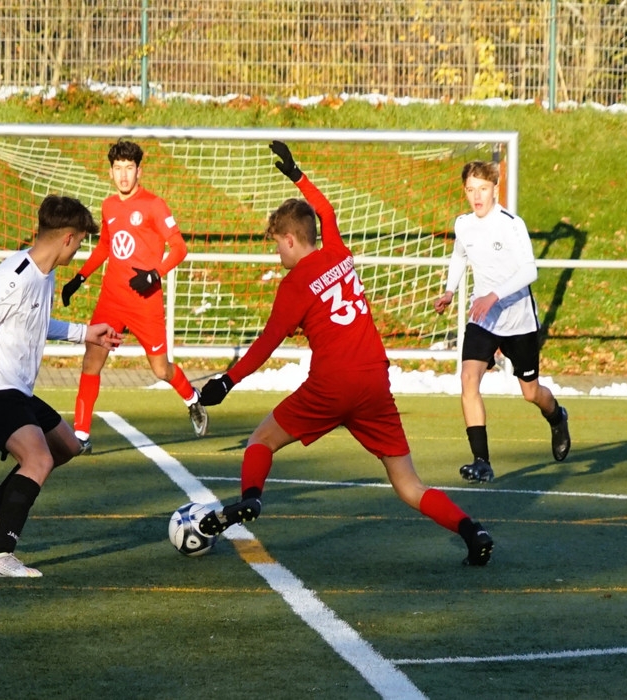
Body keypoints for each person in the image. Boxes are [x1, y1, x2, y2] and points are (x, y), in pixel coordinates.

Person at [195, 141, 493, 566]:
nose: (277, 253)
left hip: (332, 384)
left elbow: (267, 343)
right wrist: (297, 174)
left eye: (277, 244)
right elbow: (327, 211)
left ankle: (251, 498)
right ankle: (471, 530)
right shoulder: (337, 252)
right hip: (374, 381)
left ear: (290, 239)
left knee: (261, 439)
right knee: (408, 483)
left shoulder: (294, 285)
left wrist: (226, 381)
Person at [0, 195, 122, 577]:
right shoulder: (13, 278)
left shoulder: (44, 274)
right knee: (39, 460)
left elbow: (37, 322)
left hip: (19, 391)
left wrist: (85, 333)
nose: (78, 251)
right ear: (67, 238)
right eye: (80, 242)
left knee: (66, 446)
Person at [60, 140, 207, 452]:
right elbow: (105, 246)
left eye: (129, 168)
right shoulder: (109, 206)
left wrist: (154, 273)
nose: (124, 175)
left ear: (139, 171)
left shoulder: (155, 205)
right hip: (111, 300)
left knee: (160, 369)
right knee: (91, 362)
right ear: (110, 172)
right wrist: (80, 278)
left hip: (145, 301)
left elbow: (179, 248)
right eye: (118, 168)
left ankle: (192, 398)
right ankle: (82, 436)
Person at [433, 160, 570, 484]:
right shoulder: (463, 224)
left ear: (495, 189)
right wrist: (450, 291)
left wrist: (494, 295)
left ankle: (557, 416)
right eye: (471, 190)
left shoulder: (511, 224)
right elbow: (460, 255)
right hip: (484, 319)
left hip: (518, 321)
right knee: (468, 380)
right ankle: (481, 461)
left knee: (531, 392)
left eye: (483, 189)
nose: (477, 196)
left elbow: (529, 271)